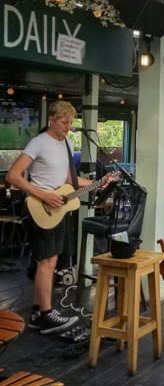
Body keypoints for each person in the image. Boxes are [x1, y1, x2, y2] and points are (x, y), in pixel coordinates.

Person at [6, 101, 95, 333]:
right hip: (39, 207)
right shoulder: (39, 143)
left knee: (50, 261)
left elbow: (68, 181)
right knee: (46, 261)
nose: (68, 126)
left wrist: (97, 183)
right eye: (64, 121)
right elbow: (13, 176)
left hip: (58, 208)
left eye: (71, 122)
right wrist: (43, 195)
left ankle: (38, 312)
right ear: (52, 120)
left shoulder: (67, 143)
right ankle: (46, 315)